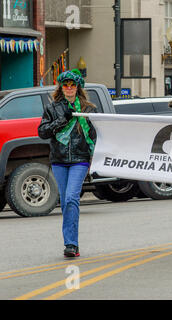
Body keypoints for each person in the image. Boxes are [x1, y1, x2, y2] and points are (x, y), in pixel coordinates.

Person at [38, 69, 96, 258]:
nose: (69, 88)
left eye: (72, 85)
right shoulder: (52, 108)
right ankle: (70, 241)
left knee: (72, 198)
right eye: (66, 85)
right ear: (61, 88)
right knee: (65, 202)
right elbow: (43, 131)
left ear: (78, 87)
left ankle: (71, 244)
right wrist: (63, 120)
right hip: (59, 161)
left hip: (80, 159)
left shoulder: (88, 109)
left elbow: (97, 135)